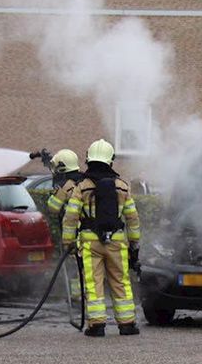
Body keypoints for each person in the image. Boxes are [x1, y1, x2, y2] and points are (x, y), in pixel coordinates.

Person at [61, 139, 142, 337]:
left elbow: (71, 217)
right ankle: (127, 324)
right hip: (117, 242)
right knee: (120, 281)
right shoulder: (122, 187)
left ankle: (97, 325)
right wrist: (134, 243)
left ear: (89, 159)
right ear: (110, 161)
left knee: (93, 283)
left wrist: (68, 242)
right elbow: (132, 218)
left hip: (90, 243)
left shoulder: (82, 187)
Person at [45, 149, 83, 218]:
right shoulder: (85, 180)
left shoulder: (64, 186)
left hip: (70, 222)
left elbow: (53, 209)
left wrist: (53, 195)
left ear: (61, 168)